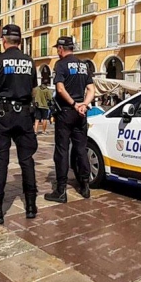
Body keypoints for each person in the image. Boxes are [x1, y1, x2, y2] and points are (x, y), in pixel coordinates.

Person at [0, 24, 39, 224]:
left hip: (3, 115)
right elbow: (33, 90)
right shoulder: (29, 61)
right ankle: (31, 206)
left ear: (4, 40)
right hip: (25, 115)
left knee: (0, 161)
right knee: (27, 160)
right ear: (20, 41)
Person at [45, 36, 95, 202]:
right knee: (81, 149)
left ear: (61, 48)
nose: (57, 52)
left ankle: (61, 190)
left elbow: (59, 88)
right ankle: (85, 186)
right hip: (81, 114)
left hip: (66, 112)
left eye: (57, 49)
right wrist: (84, 105)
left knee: (62, 150)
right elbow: (91, 89)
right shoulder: (84, 65)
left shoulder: (61, 65)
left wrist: (74, 104)